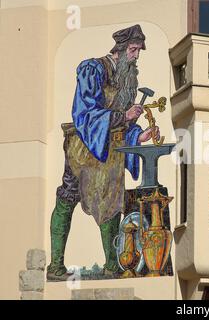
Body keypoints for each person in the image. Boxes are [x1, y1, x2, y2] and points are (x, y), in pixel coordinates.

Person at [47, 24, 159, 280]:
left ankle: (112, 266)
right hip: (84, 145)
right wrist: (123, 115)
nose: (136, 56)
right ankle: (55, 267)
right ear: (120, 49)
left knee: (112, 202)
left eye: (139, 50)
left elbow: (122, 123)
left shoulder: (128, 77)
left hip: (111, 148)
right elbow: (85, 112)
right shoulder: (93, 68)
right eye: (133, 49)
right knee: (67, 197)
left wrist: (137, 135)